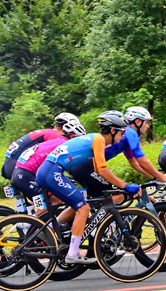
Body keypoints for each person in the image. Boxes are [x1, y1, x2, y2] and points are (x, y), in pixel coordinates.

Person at [35, 111, 140, 264]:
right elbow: (103, 170)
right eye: (121, 131)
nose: (123, 135)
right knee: (83, 208)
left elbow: (97, 170)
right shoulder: (99, 140)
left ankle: (49, 230)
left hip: (50, 171)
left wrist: (121, 185)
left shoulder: (94, 138)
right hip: (52, 172)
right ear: (112, 130)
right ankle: (72, 254)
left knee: (80, 203)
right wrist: (126, 186)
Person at [12, 120, 87, 202]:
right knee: (57, 201)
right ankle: (34, 216)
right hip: (26, 174)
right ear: (72, 136)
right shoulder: (66, 145)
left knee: (43, 203)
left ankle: (31, 215)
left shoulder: (58, 141)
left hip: (20, 172)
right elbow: (69, 169)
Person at [105, 107, 166, 187]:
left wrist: (156, 177)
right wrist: (163, 178)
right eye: (146, 122)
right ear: (138, 122)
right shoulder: (131, 133)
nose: (148, 126)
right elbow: (142, 162)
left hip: (93, 165)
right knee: (122, 194)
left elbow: (134, 164)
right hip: (92, 165)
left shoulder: (126, 133)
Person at [1, 112, 78, 180]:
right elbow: (56, 157)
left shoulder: (48, 132)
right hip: (16, 167)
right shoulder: (55, 135)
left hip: (9, 164)